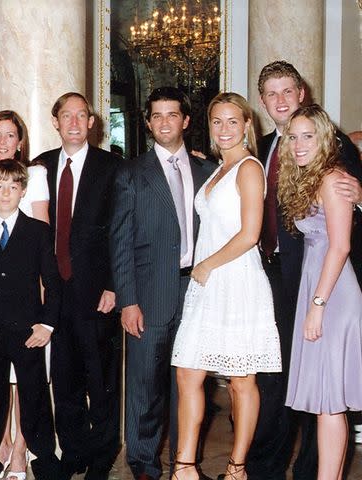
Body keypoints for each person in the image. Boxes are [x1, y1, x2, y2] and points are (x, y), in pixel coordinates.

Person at [248, 60, 362, 480]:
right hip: (281, 280)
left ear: (302, 95)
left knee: (327, 396)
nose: (280, 100)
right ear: (263, 102)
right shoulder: (261, 148)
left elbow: (341, 236)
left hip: (321, 286)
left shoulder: (334, 156)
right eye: (271, 94)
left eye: (287, 91)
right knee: (296, 387)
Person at [170, 93, 282, 480]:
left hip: (236, 280)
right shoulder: (218, 169)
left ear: (248, 125)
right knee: (187, 373)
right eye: (217, 121)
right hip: (210, 281)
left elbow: (250, 234)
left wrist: (206, 265)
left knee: (241, 380)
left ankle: (237, 468)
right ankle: (184, 466)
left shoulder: (250, 168)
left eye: (233, 121)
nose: (224, 128)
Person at [110, 87, 217, 480]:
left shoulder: (209, 172)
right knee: (144, 386)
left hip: (197, 292)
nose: (164, 122)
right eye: (157, 116)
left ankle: (184, 464)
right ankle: (143, 463)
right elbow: (119, 242)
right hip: (149, 294)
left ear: (186, 121)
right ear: (149, 122)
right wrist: (128, 300)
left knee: (189, 384)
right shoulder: (131, 173)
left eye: (172, 115)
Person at [34, 92, 120, 480]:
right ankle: (74, 452)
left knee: (100, 378)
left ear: (91, 123)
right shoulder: (40, 167)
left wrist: (115, 286)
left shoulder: (112, 167)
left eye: (80, 115)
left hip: (96, 291)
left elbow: (121, 233)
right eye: (65, 115)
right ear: (55, 122)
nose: (73, 122)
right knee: (63, 378)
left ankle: (101, 456)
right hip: (53, 292)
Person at [0, 160, 61, 480]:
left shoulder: (38, 231)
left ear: (22, 191)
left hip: (28, 331)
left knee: (34, 397)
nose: (6, 193)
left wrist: (46, 324)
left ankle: (44, 459)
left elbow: (52, 281)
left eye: (13, 187)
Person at [279, 105, 362, 480]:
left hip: (333, 294)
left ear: (325, 138)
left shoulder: (332, 179)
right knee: (326, 404)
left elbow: (340, 246)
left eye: (307, 136)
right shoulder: (308, 178)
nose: (298, 144)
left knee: (331, 404)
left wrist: (317, 305)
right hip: (319, 288)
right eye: (293, 136)